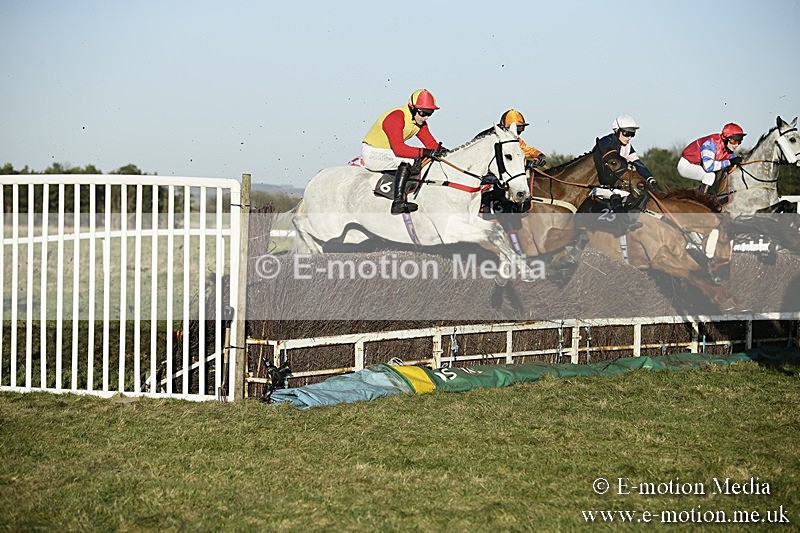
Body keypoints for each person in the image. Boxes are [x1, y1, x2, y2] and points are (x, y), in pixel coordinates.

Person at [361, 89, 446, 214]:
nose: (426, 117)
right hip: (373, 153)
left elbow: (432, 145)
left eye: (430, 113)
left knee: (423, 160)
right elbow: (399, 149)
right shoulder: (396, 117)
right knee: (409, 160)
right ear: (412, 108)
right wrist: (425, 152)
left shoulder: (419, 122)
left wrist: (448, 153)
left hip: (388, 153)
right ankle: (398, 202)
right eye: (423, 113)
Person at [591, 114, 657, 230]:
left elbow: (638, 163)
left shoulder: (627, 147)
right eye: (627, 133)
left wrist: (650, 178)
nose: (629, 137)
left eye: (632, 134)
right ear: (617, 131)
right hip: (600, 182)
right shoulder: (606, 141)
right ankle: (623, 220)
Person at [677, 123, 745, 194]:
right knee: (710, 176)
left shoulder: (728, 150)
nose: (736, 145)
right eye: (734, 141)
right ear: (726, 138)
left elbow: (733, 162)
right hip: (686, 165)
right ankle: (701, 201)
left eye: (739, 141)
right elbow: (708, 167)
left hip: (699, 166)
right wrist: (730, 162)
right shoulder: (710, 144)